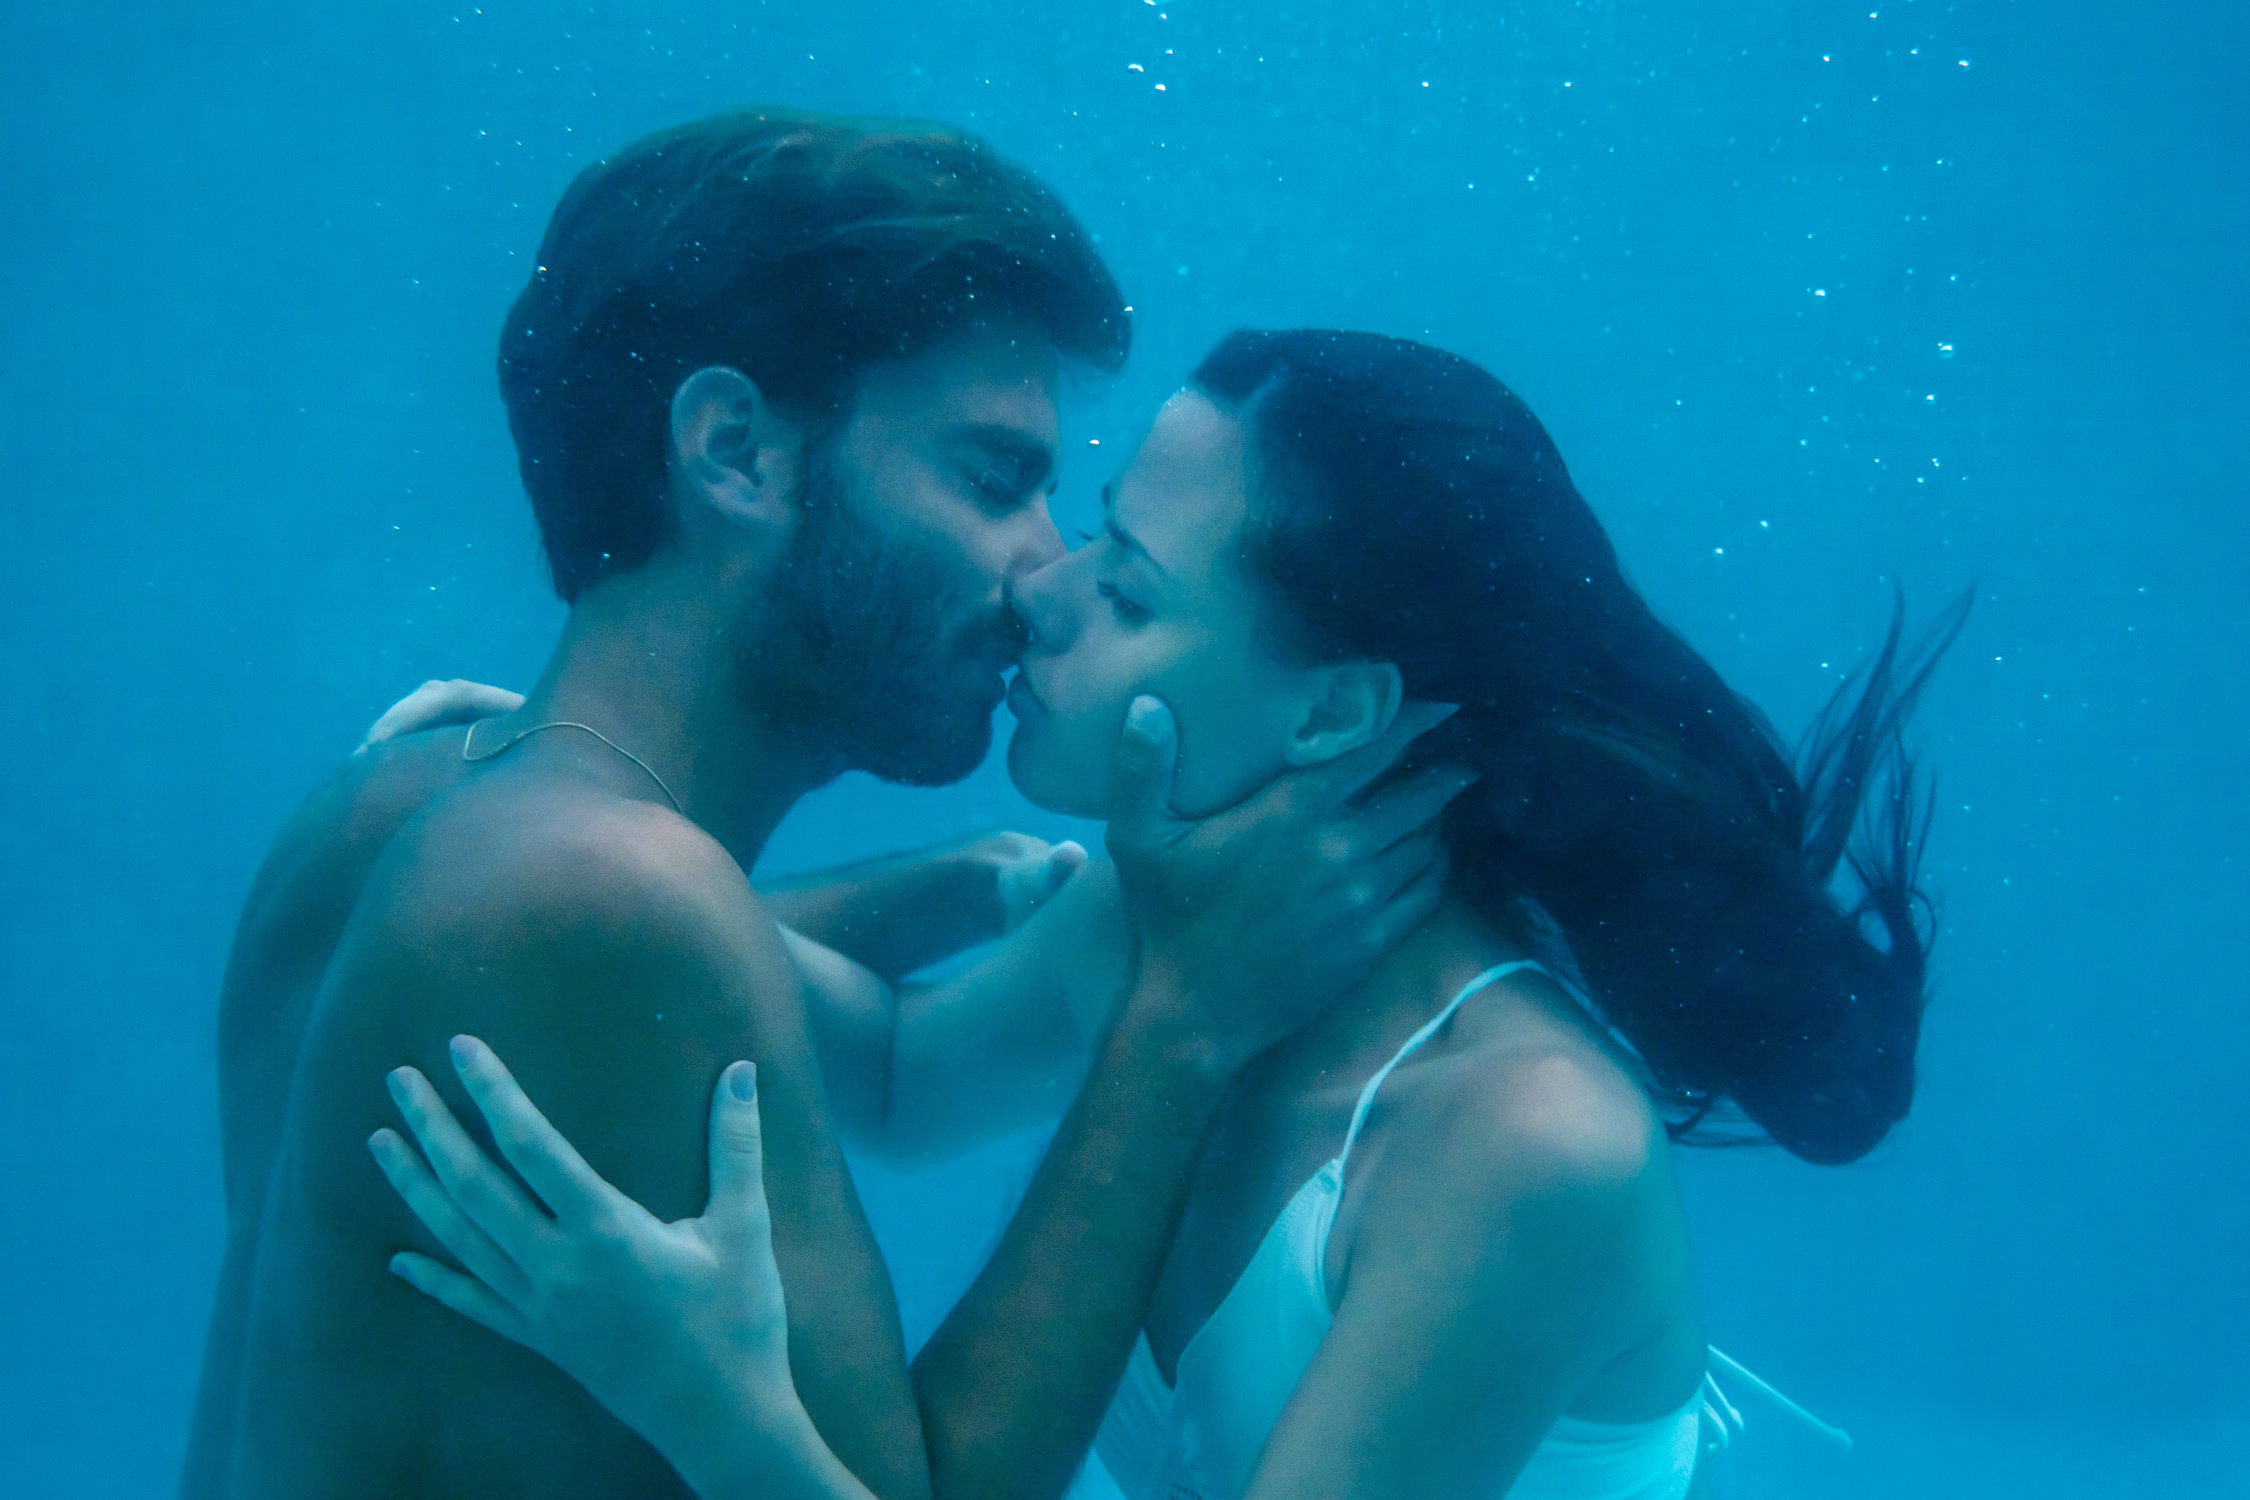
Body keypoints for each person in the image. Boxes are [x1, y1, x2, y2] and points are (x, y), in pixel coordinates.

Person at [373, 330, 1964, 1499]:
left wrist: (705, 1405)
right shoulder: (1179, 918)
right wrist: (576, 798)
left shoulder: (1520, 1143)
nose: (1039, 591)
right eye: (1091, 527)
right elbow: (904, 1077)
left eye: (1128, 590)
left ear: (1332, 713)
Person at [186, 112, 1466, 1500]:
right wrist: (1183, 1020)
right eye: (993, 480)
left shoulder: (400, 805)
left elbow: (678, 966)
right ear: (736, 451)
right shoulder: (610, 895)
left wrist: (948, 888)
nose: (1044, 576)